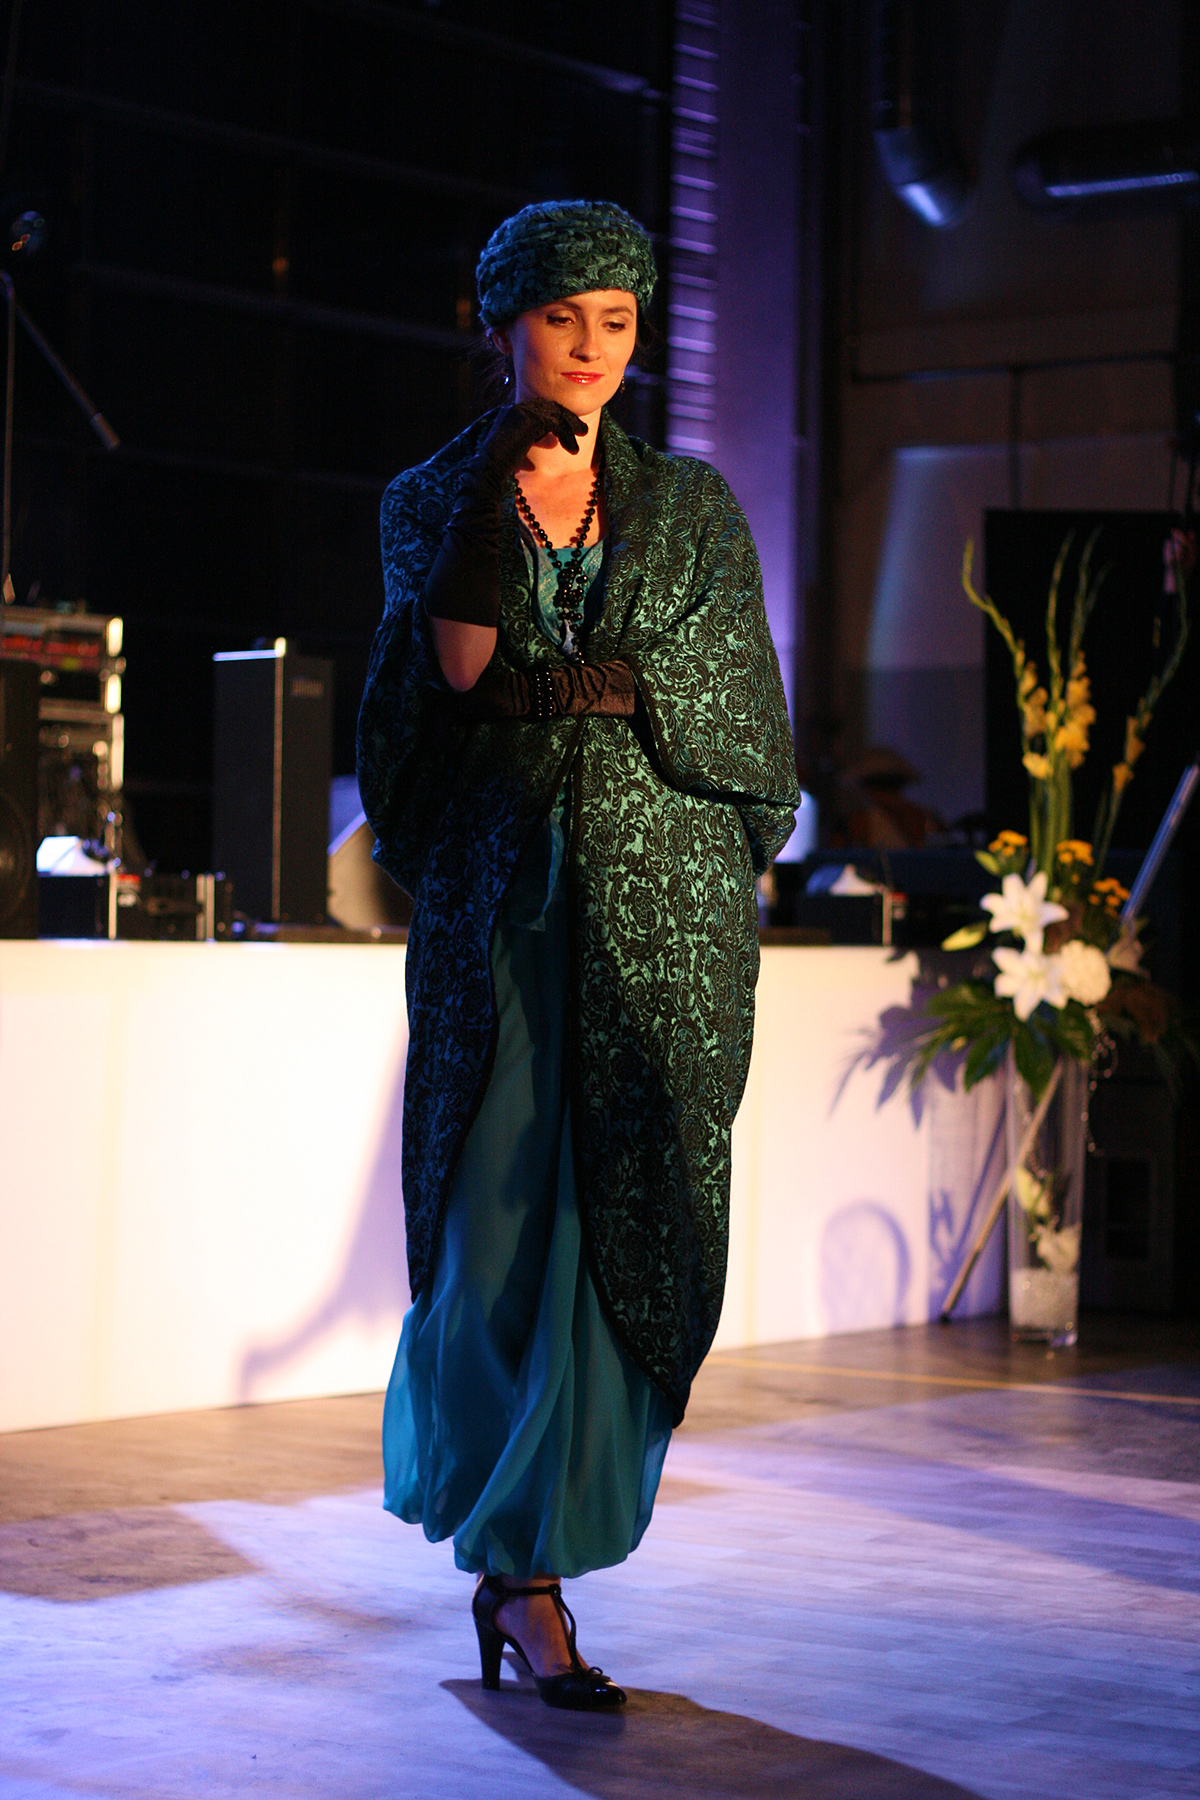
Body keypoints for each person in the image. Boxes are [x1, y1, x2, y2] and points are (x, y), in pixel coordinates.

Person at [357, 199, 799, 1711]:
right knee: (494, 1213)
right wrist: (498, 486)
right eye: (563, 319)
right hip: (502, 892)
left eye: (617, 319)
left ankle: (536, 1568)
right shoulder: (435, 494)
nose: (594, 347)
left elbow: (730, 701)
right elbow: (457, 671)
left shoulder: (691, 505)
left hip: (656, 898)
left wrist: (600, 691)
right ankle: (511, 1561)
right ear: (505, 329)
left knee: (623, 1207)